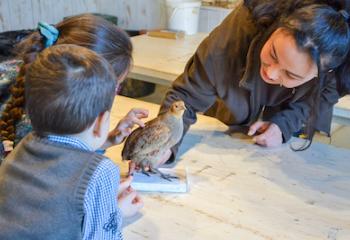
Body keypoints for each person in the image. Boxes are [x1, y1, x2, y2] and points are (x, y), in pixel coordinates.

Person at [154, 0, 350, 164]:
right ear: (278, 25)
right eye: (273, 53)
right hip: (239, 75)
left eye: (291, 74)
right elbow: (187, 96)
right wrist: (163, 145)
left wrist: (284, 125)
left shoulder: (337, 70)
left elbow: (319, 98)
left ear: (325, 74)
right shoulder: (233, 38)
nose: (271, 73)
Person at [0, 44, 145, 239]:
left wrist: (100, 195)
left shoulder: (23, 146)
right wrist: (115, 213)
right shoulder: (102, 171)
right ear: (101, 122)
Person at [0, 14, 136, 163]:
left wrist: (107, 140)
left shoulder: (31, 75)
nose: (114, 94)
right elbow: (53, 173)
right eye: (115, 86)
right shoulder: (45, 113)